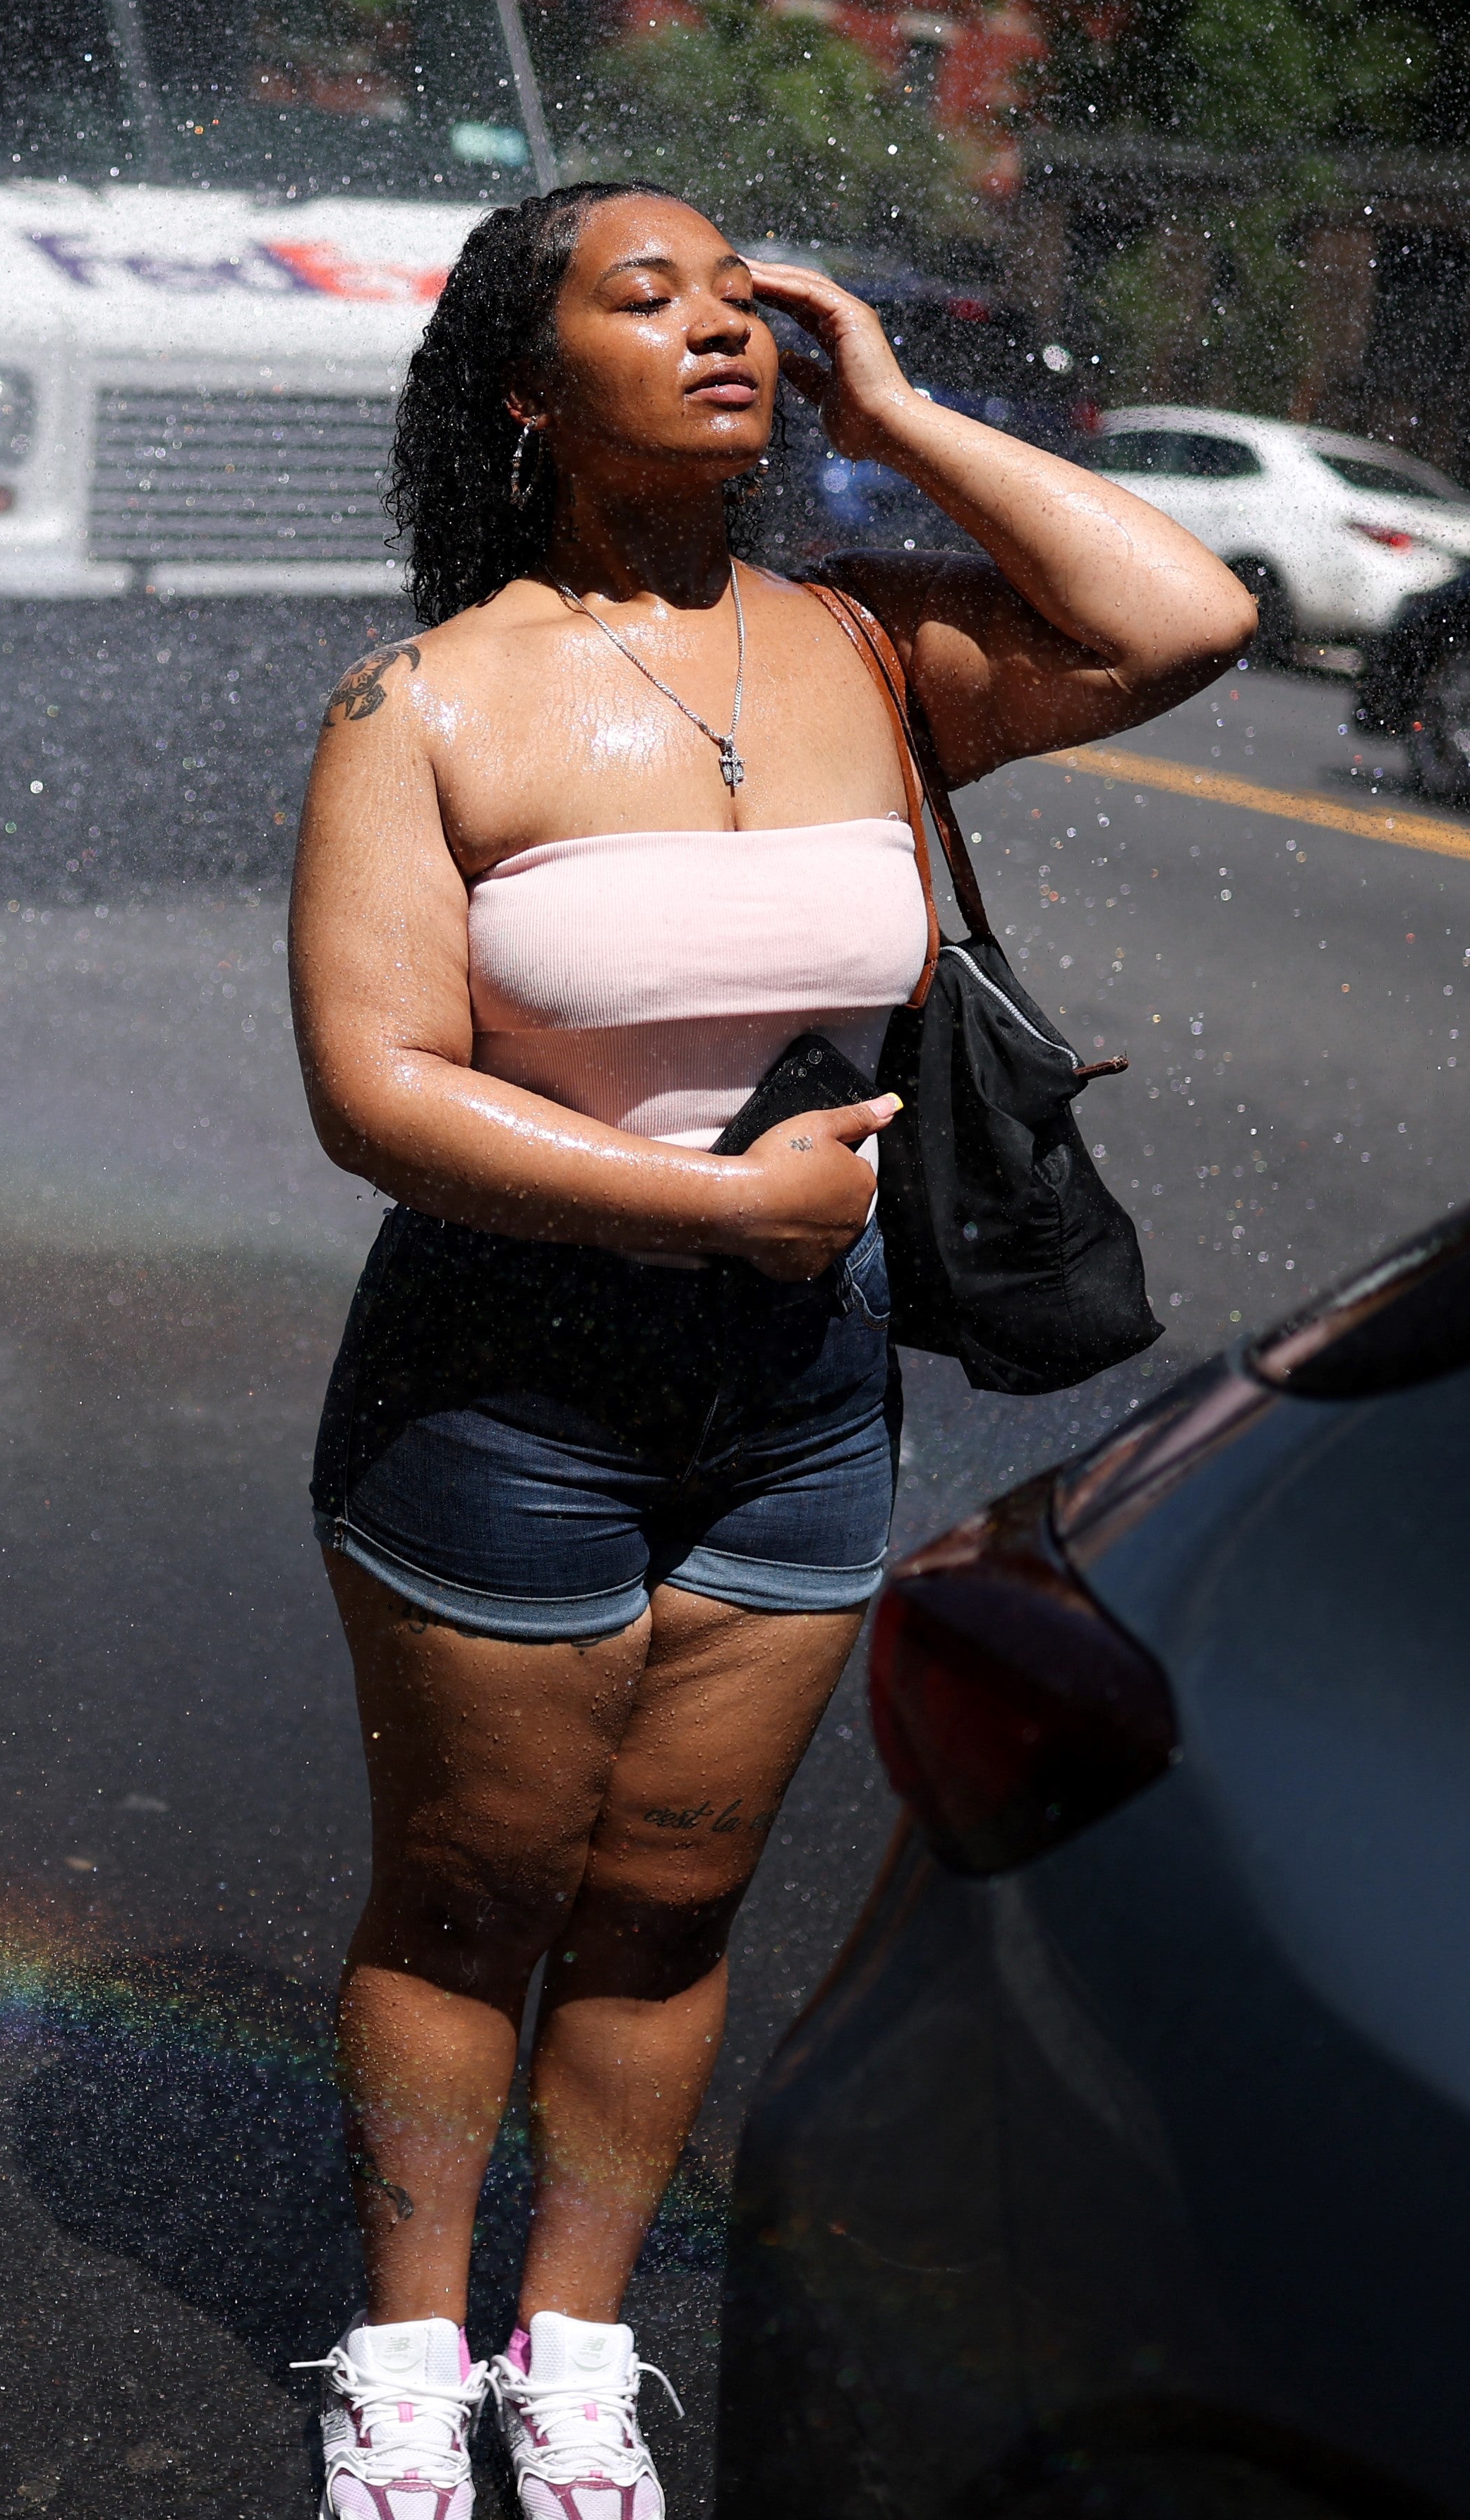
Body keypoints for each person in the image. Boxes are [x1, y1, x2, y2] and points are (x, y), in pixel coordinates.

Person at [285, 184, 1250, 2518]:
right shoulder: (425, 704)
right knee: (470, 1889)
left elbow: (1189, 613)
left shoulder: (867, 647)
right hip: (505, 1394)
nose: (724, 329)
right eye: (655, 303)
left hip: (805, 1400)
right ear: (532, 393)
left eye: (745, 303)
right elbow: (378, 1090)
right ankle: (413, 2348)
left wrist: (905, 414)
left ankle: (576, 2335)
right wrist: (716, 1201)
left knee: (670, 1896)